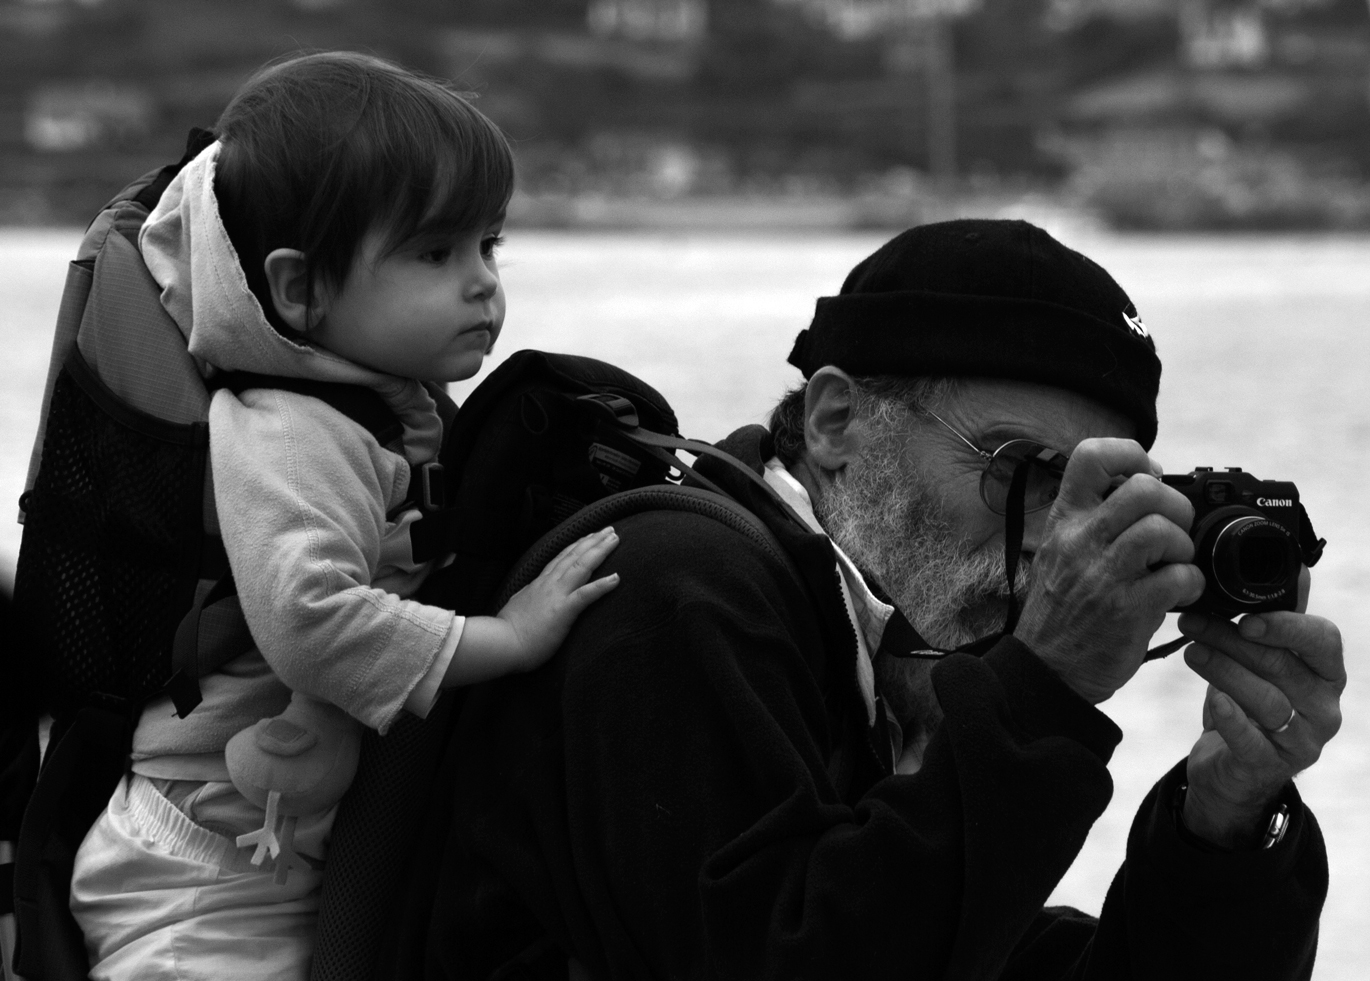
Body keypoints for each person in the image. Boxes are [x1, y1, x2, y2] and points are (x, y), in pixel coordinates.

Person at [379, 219, 1343, 980]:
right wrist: (1043, 688)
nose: (1053, 538)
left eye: (1085, 490)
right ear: (837, 420)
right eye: (1020, 468)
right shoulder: (675, 589)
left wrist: (1226, 823)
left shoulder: (872, 646)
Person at [67, 52, 620, 981]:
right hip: (204, 864)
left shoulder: (376, 409)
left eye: (489, 245)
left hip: (258, 835)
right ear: (298, 289)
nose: (483, 282)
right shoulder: (291, 431)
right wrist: (507, 639)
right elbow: (308, 616)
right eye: (435, 253)